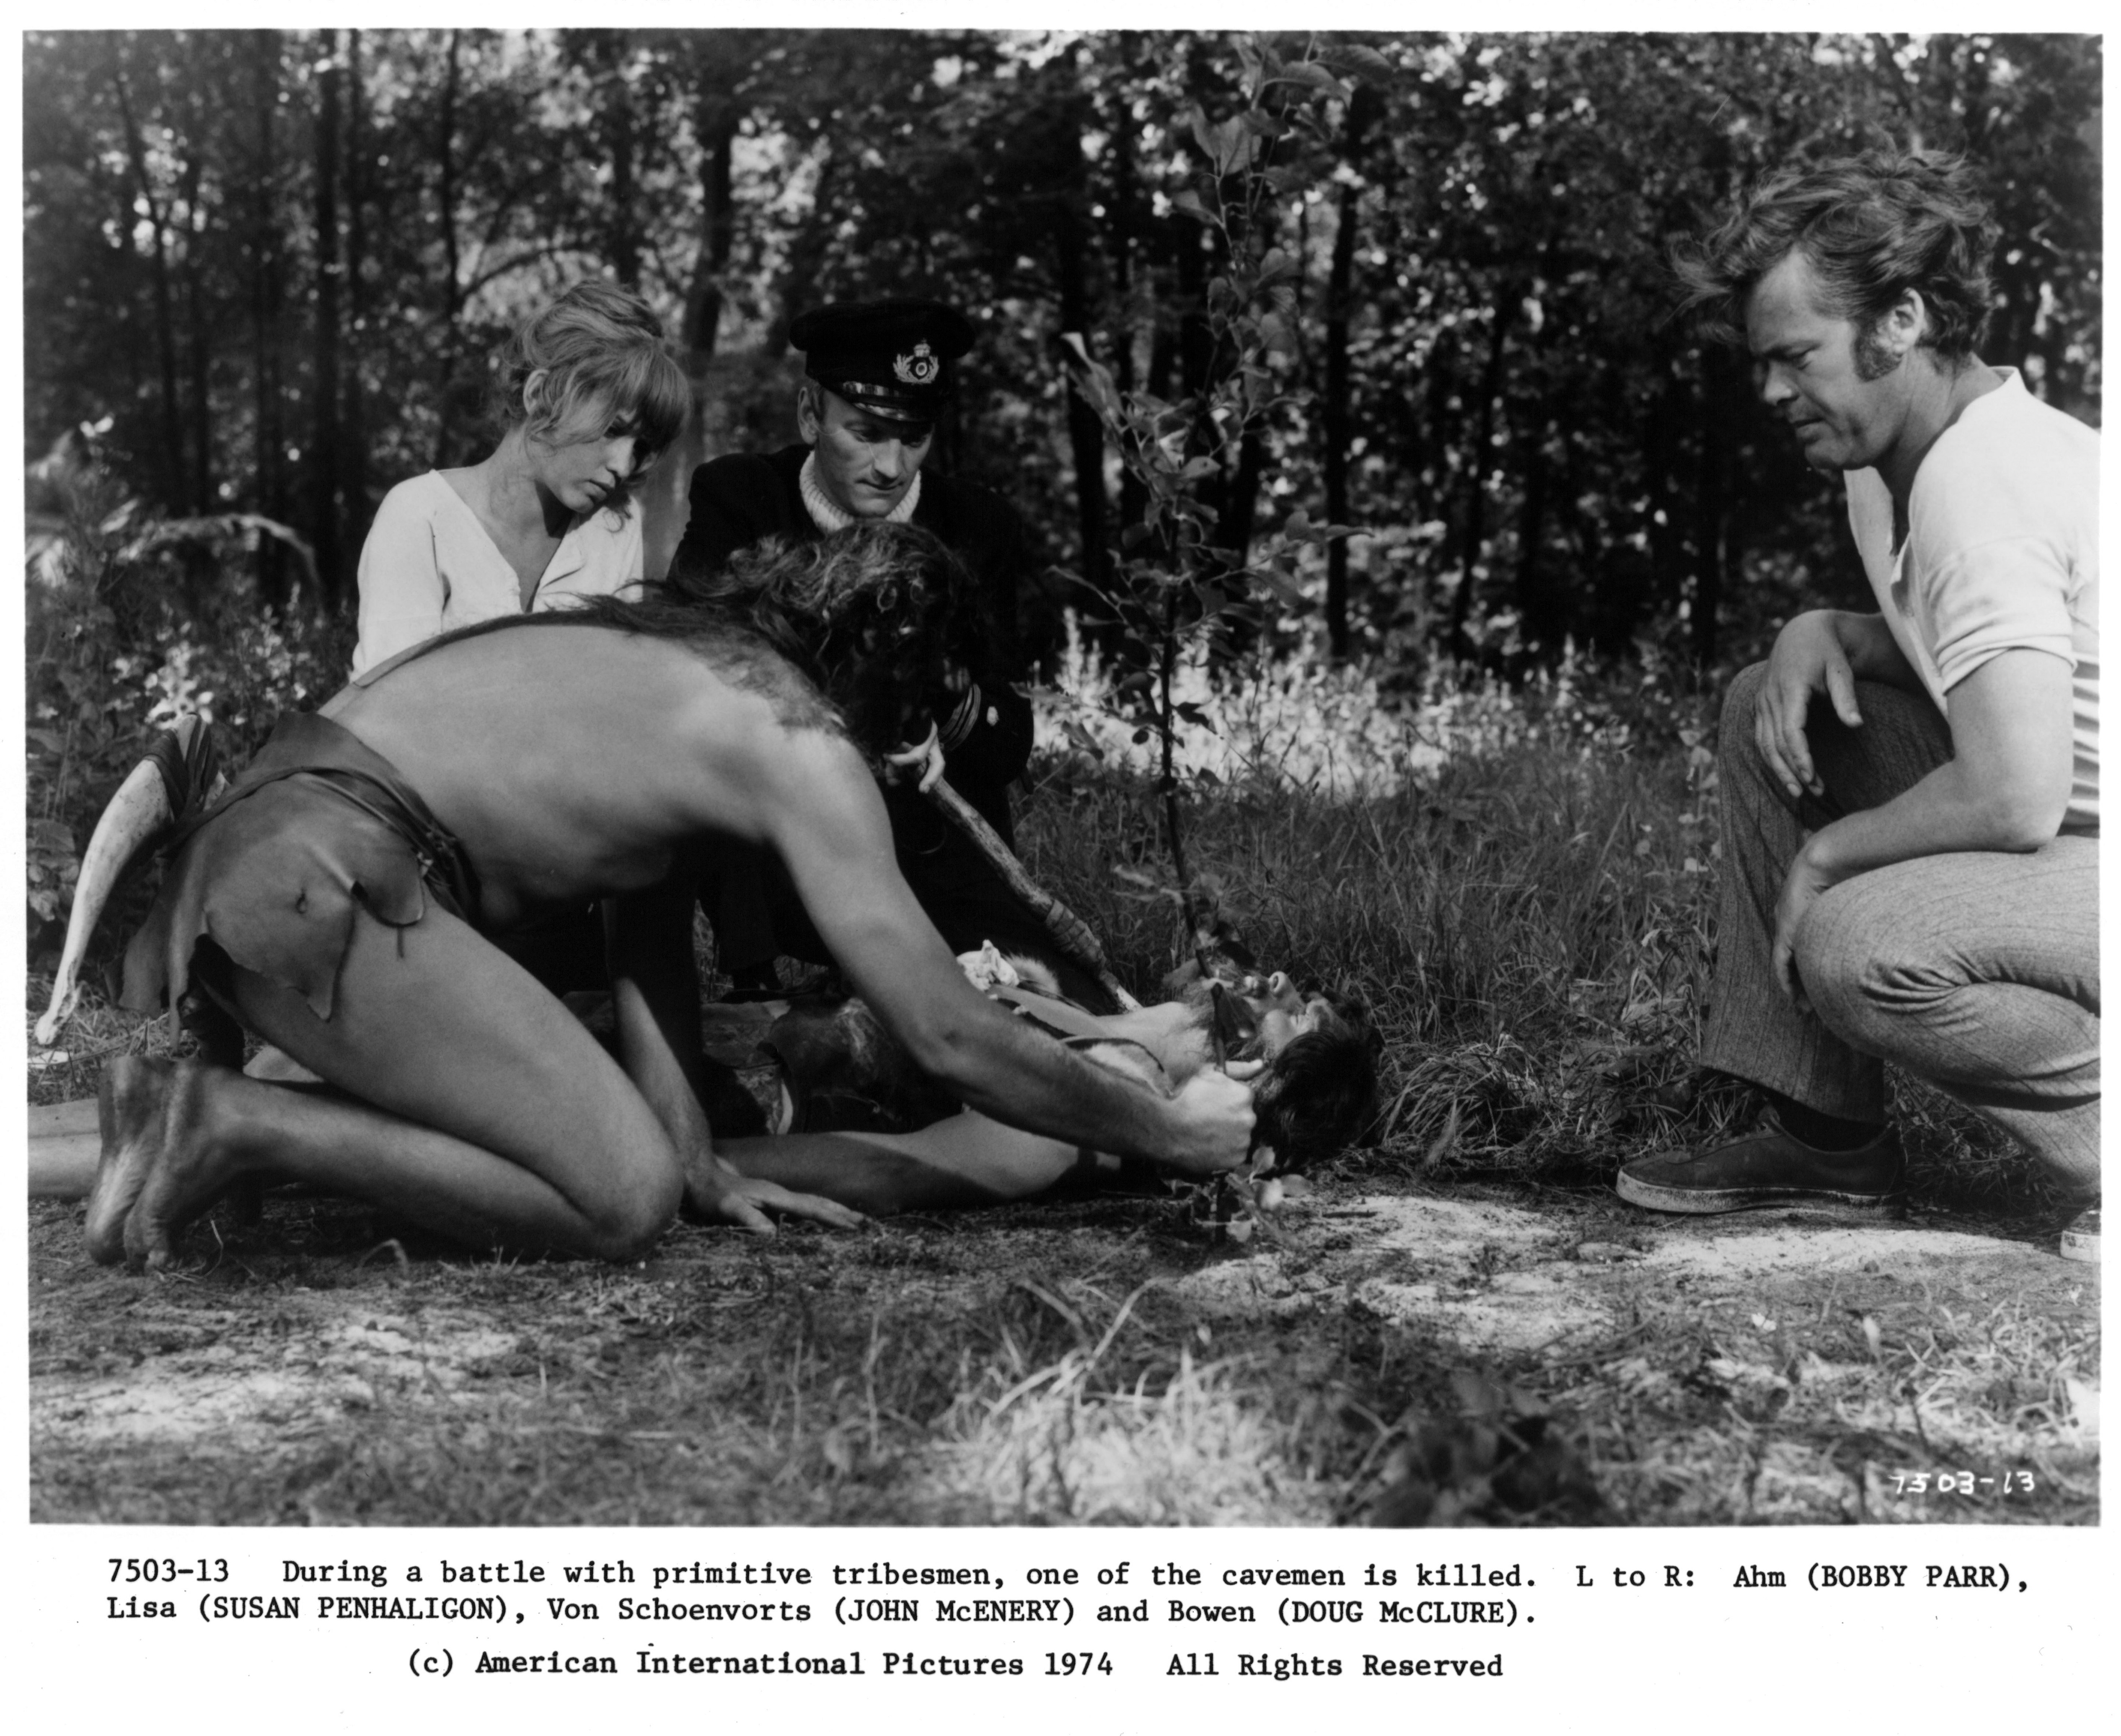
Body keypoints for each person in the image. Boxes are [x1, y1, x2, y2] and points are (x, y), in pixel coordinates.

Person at [81, 524, 1254, 1272]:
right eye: (928, 711)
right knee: (621, 1198)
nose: (913, 755)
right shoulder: (798, 741)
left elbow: (638, 919)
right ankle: (238, 1118)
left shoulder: (691, 662)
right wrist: (1164, 1130)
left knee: (654, 1162)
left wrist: (702, 1153)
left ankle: (174, 1105)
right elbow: (946, 1031)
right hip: (310, 885)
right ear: (911, 672)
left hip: (223, 893)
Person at [1621, 150, 2098, 1262]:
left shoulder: (1984, 477)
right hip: (2076, 854)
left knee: (1855, 941)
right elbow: (2021, 663)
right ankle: (1826, 1137)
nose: (1770, 391)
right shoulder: (1892, 467)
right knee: (1766, 703)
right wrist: (1824, 628)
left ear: (1896, 325)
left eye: (1793, 356)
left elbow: (2015, 791)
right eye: (1761, 363)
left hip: (2079, 851)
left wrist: (1829, 851)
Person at [667, 299, 1096, 1004]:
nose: (891, 466)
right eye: (865, 433)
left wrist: (951, 707)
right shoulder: (741, 499)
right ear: (811, 414)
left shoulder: (976, 526)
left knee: (1051, 1003)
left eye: (914, 436)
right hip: (779, 840)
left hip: (930, 849)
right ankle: (755, 981)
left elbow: (1007, 741)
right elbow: (693, 677)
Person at [707, 954, 1380, 1216]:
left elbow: (897, 1170)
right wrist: (1021, 991)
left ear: (1254, 1082)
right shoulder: (1106, 1035)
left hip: (737, 1080)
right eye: (1303, 993)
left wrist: (697, 1163)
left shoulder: (1089, 1117)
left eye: (1294, 1017)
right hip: (740, 1019)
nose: (1282, 982)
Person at [352, 280, 688, 675]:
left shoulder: (615, 524)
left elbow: (615, 688)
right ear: (540, 394)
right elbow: (391, 705)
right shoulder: (420, 516)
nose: (625, 465)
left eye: (640, 447)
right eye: (613, 429)